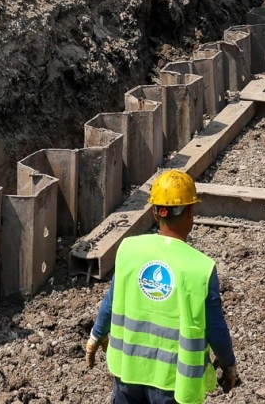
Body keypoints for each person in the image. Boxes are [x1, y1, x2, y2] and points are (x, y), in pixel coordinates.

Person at [85, 170, 240, 402]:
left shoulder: (129, 250)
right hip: (173, 382)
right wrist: (228, 364)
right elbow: (215, 329)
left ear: (156, 213)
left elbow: (111, 301)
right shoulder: (200, 268)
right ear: (190, 212)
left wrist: (96, 336)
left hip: (128, 371)